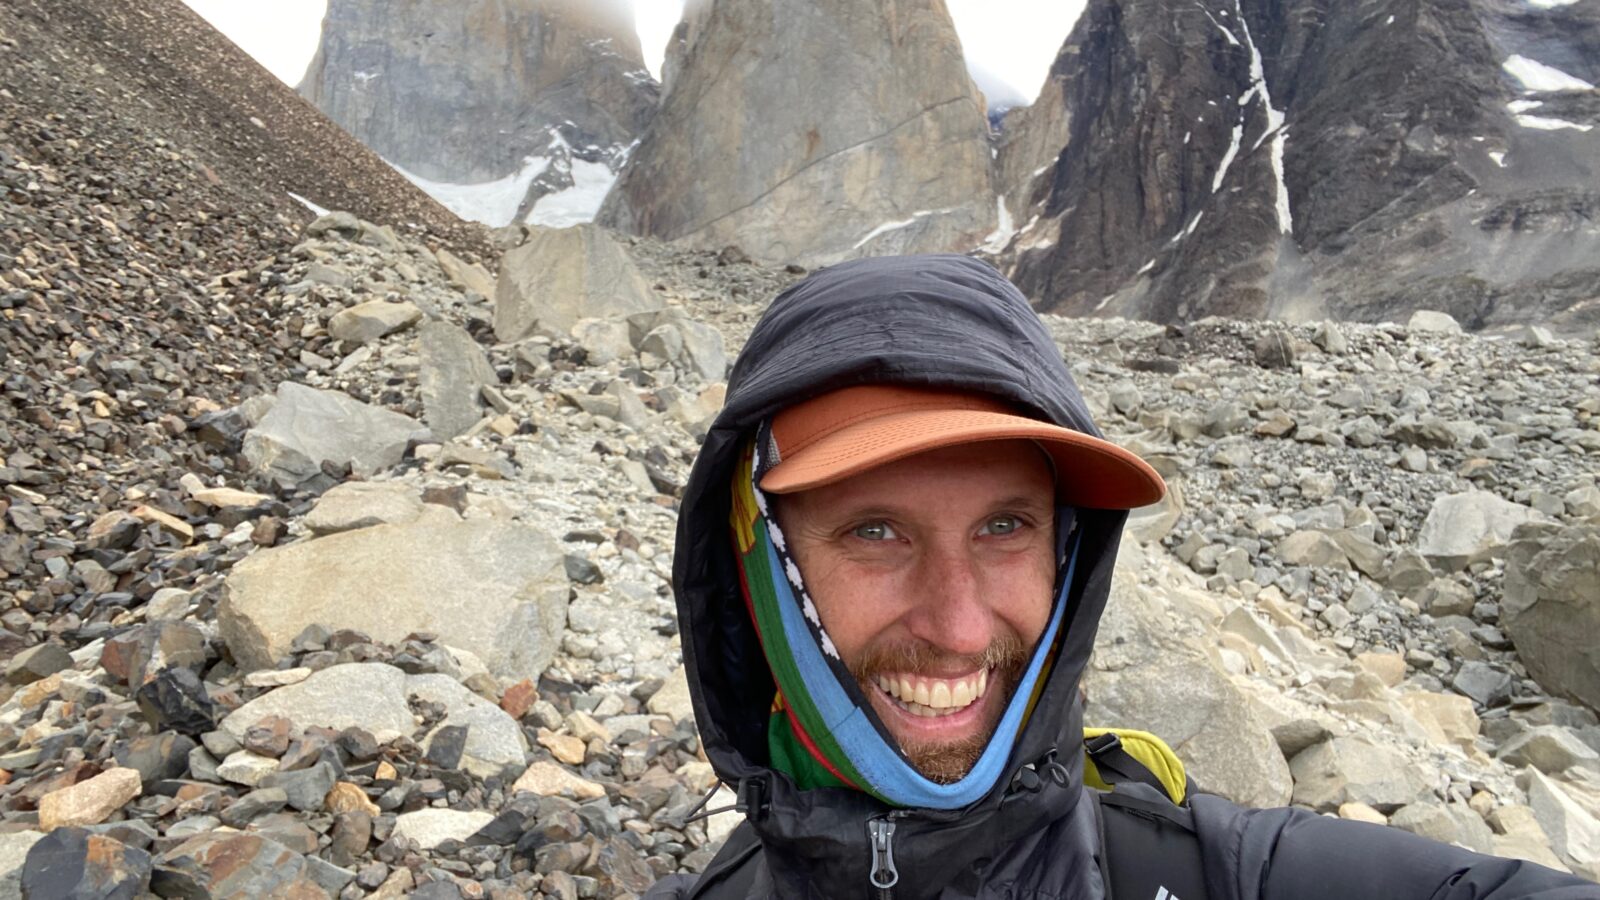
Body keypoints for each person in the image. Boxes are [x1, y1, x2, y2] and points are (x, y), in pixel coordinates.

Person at [645, 255, 1599, 898]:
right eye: (877, 530)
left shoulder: (1224, 873)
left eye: (1007, 526)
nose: (962, 627)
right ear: (759, 568)